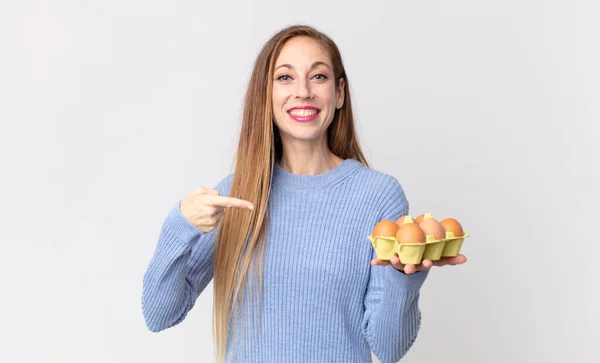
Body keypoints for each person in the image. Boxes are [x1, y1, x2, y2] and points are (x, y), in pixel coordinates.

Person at [141, 24, 467, 363]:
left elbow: (388, 348)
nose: (303, 92)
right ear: (265, 95)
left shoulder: (378, 195)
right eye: (284, 78)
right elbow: (159, 314)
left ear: (339, 93)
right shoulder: (236, 196)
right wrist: (179, 224)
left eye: (319, 77)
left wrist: (404, 275)